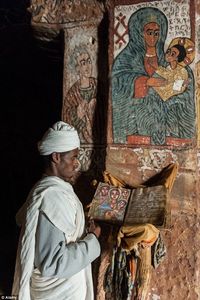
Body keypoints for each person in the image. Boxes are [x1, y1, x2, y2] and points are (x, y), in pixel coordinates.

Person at [12, 121, 101, 300]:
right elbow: (53, 264)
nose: (77, 164)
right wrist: (92, 239)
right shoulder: (52, 197)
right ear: (56, 157)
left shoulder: (52, 191)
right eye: (73, 157)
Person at [112, 7, 195, 145]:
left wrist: (179, 87)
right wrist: (145, 82)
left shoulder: (167, 57)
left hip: (168, 114)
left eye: (157, 33)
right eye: (149, 33)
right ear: (140, 33)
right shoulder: (127, 57)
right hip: (140, 115)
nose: (153, 37)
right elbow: (117, 81)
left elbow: (184, 78)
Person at [63, 46, 97, 144]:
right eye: (83, 63)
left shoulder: (98, 86)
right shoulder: (72, 94)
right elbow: (66, 117)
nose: (87, 66)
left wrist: (94, 105)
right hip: (80, 142)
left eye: (89, 61)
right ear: (77, 68)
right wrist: (77, 114)